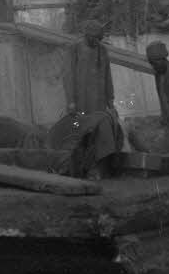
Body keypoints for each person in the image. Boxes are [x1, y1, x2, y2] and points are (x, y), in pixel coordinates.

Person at [50, 19, 124, 179]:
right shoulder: (74, 49)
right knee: (79, 132)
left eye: (99, 39)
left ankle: (98, 167)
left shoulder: (102, 50)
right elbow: (68, 76)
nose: (97, 42)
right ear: (87, 35)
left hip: (99, 102)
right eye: (94, 38)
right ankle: (78, 167)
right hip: (80, 102)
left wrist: (111, 101)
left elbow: (107, 76)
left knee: (99, 132)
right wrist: (70, 101)